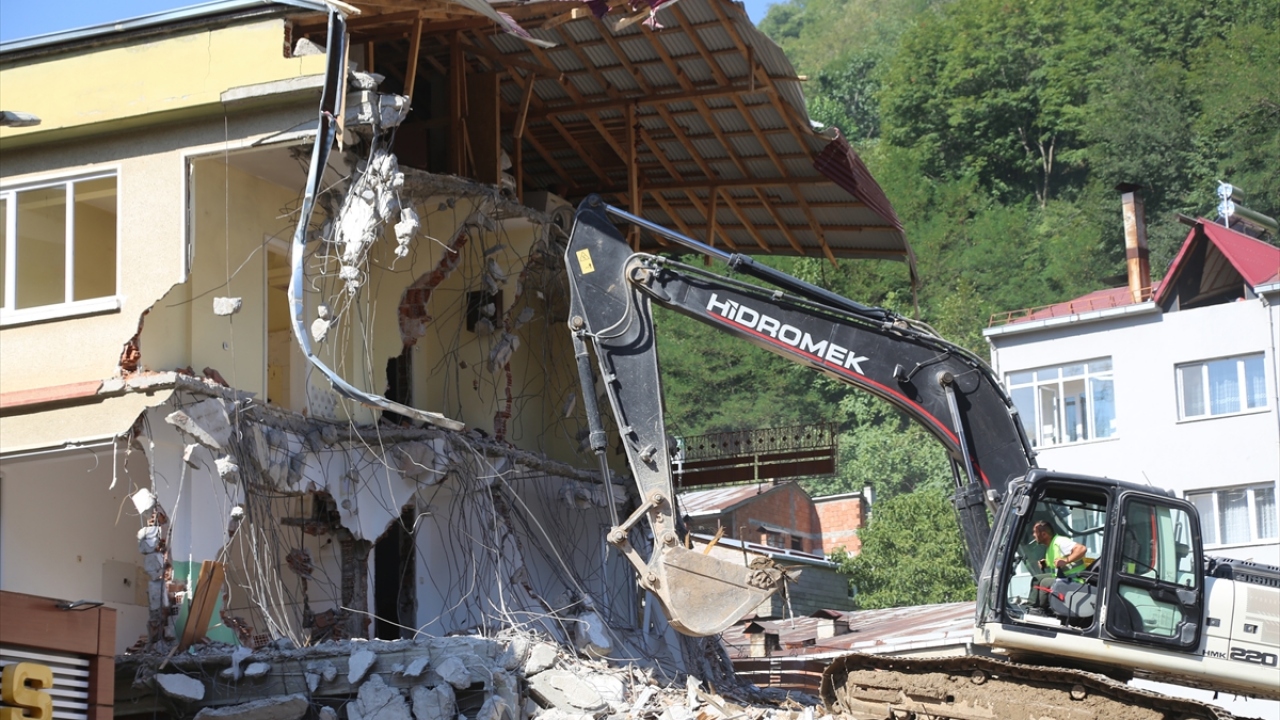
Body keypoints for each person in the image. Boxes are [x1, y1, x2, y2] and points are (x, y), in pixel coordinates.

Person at [1029, 520, 1087, 611]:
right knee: (1037, 578)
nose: (1033, 535)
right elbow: (1057, 562)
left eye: (1035, 532)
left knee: (1045, 582)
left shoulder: (1060, 541)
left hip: (1076, 579)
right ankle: (1032, 606)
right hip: (1062, 577)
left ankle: (1041, 610)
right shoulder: (1051, 546)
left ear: (1044, 534)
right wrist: (1046, 563)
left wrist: (1066, 561)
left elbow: (1082, 549)